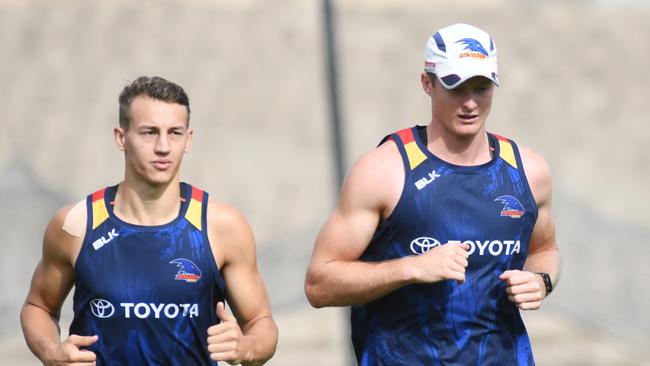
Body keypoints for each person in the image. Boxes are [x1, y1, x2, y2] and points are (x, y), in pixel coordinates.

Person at [305, 23, 560, 365]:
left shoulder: (529, 171)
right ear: (428, 83)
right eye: (456, 87)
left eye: (481, 87)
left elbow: (545, 250)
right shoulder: (385, 170)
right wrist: (409, 268)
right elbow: (319, 284)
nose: (470, 102)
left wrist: (541, 280)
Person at [21, 76, 278, 365]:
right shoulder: (77, 224)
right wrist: (51, 351)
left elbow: (262, 324)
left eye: (175, 132)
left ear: (188, 139)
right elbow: (37, 307)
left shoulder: (222, 225)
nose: (163, 147)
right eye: (149, 132)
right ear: (121, 137)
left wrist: (246, 348)